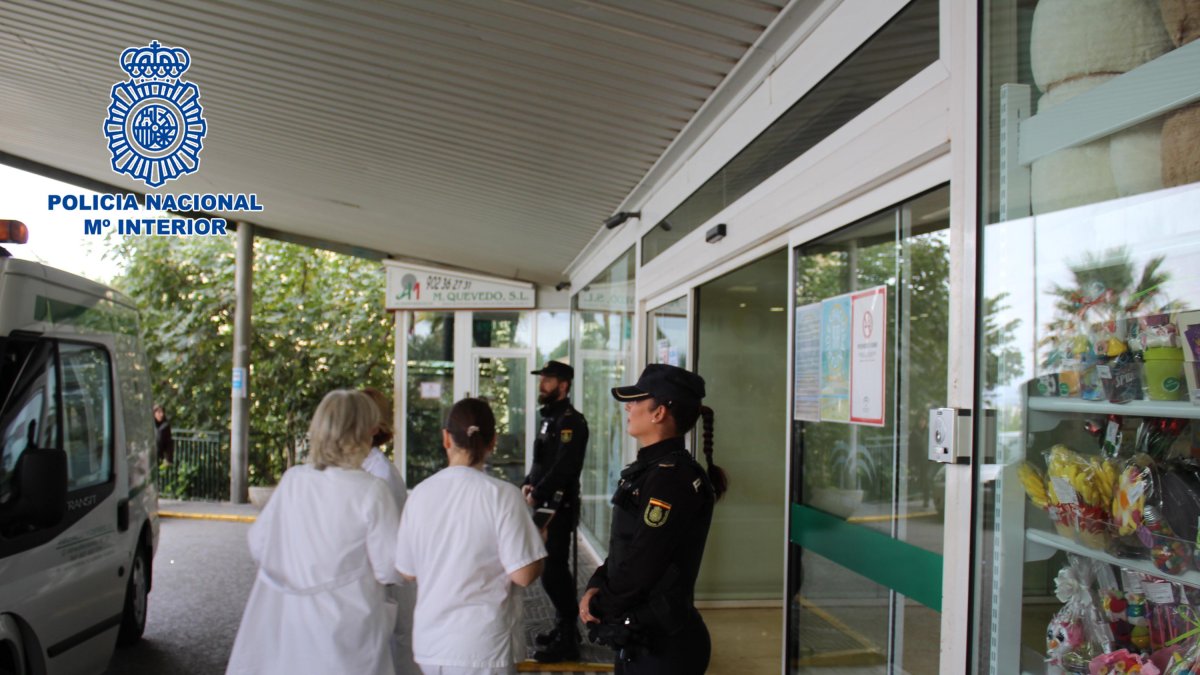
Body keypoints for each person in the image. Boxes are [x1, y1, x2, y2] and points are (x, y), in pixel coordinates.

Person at [226, 390, 402, 675]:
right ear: (360, 434)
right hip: (346, 634)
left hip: (291, 628)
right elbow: (390, 568)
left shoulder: (294, 480)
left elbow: (259, 544)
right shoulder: (371, 491)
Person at [579, 364, 728, 675]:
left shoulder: (670, 479)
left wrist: (600, 607)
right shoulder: (653, 471)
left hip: (664, 647)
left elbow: (645, 561)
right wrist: (597, 584)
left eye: (636, 400)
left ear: (659, 413)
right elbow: (627, 547)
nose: (628, 407)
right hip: (643, 636)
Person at [395, 398, 547, 675]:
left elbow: (407, 571)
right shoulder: (502, 495)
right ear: (492, 442)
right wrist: (537, 541)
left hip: (431, 644)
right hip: (483, 646)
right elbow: (523, 574)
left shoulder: (420, 494)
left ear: (446, 438)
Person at [521, 360, 589, 662]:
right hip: (545, 503)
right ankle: (565, 628)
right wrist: (528, 483)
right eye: (542, 379)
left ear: (563, 385)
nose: (542, 384)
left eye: (547, 380)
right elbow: (542, 461)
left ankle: (567, 637)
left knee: (554, 571)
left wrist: (539, 492)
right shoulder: (551, 417)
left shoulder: (571, 421)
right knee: (551, 569)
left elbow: (565, 467)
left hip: (558, 506)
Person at [359, 386, 418, 675]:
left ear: (373, 426)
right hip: (370, 595)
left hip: (385, 591)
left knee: (395, 658)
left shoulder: (381, 475)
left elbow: (388, 559)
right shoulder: (360, 470)